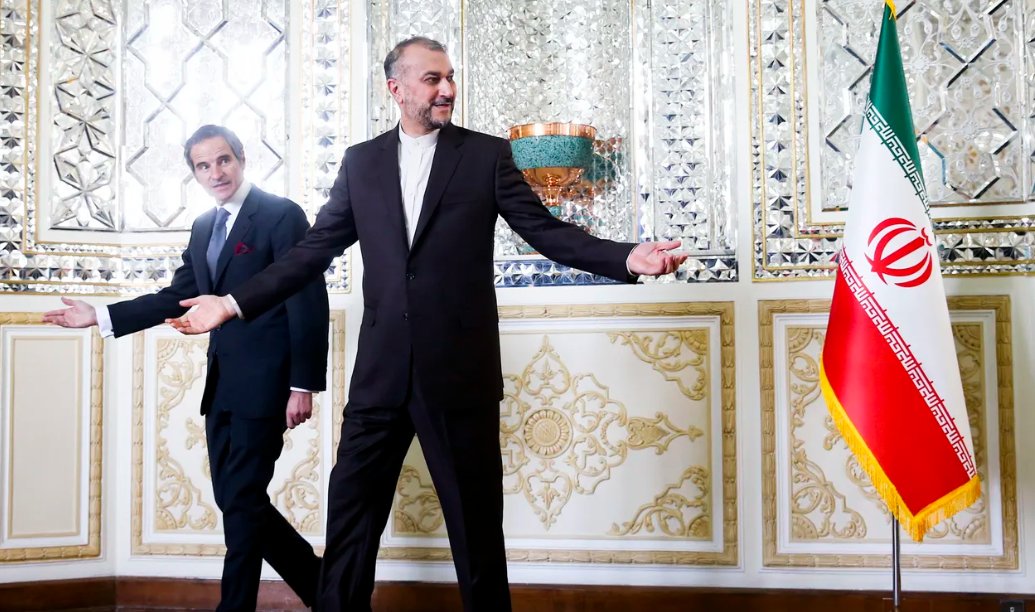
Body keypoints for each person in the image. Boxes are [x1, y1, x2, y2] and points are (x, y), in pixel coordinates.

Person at [167, 38, 687, 612]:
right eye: (433, 79)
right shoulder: (361, 163)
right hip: (380, 374)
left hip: (458, 373)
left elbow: (546, 232)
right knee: (350, 520)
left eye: (450, 78)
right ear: (397, 89)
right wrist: (232, 303)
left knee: (475, 528)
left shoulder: (486, 156)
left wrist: (626, 257)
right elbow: (311, 252)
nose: (447, 90)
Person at [43, 125, 329, 611]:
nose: (216, 172)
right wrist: (101, 315)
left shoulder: (280, 215)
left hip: (268, 384)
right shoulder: (202, 227)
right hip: (221, 387)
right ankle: (327, 590)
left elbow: (307, 298)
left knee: (242, 501)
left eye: (223, 160)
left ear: (241, 159)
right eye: (203, 165)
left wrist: (302, 385)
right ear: (194, 173)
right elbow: (176, 296)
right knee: (236, 500)